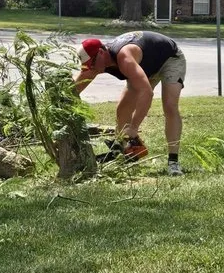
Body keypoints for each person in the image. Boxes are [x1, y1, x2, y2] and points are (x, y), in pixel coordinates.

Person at [73, 30, 186, 176]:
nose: (92, 69)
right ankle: (125, 150)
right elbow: (75, 88)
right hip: (144, 65)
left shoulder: (124, 58)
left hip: (169, 58)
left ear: (101, 53)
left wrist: (134, 127)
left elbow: (146, 93)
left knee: (170, 106)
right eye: (88, 66)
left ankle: (173, 163)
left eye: (92, 64)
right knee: (123, 108)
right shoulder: (96, 61)